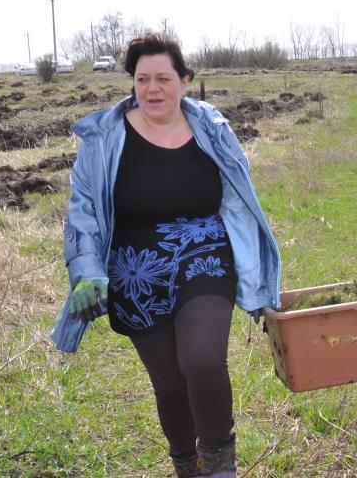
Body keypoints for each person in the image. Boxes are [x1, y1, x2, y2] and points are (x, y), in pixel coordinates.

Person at [51, 33, 281, 478]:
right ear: (132, 84)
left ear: (185, 81)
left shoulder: (212, 130)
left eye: (163, 78)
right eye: (142, 79)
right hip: (133, 273)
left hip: (205, 256)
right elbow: (82, 212)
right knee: (170, 386)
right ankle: (188, 468)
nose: (152, 89)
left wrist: (255, 276)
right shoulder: (104, 138)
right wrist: (86, 272)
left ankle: (219, 465)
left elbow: (239, 202)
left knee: (202, 359)